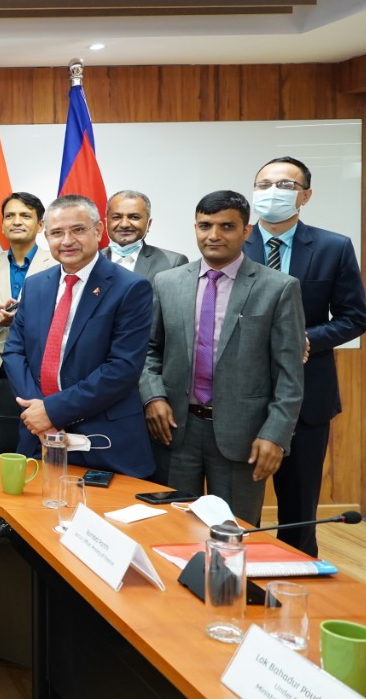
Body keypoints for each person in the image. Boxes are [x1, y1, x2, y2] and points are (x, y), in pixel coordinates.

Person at [142, 191, 305, 525]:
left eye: (226, 226)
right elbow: (148, 350)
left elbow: (289, 374)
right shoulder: (167, 282)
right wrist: (152, 396)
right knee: (168, 528)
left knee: (233, 534)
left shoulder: (278, 287)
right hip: (175, 432)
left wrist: (275, 434)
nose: (213, 235)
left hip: (243, 437)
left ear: (247, 231)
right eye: (205, 225)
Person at [243, 157, 365, 553]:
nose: (271, 193)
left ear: (306, 196)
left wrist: (304, 337)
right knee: (241, 512)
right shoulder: (232, 244)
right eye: (263, 185)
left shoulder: (333, 247)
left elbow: (354, 318)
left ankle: (297, 590)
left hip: (308, 397)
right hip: (242, 398)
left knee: (299, 510)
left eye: (285, 186)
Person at [2, 195, 154, 478]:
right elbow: (14, 352)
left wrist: (52, 410)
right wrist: (40, 414)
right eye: (57, 233)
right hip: (38, 435)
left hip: (102, 440)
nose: (67, 240)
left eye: (78, 230)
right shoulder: (35, 285)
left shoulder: (130, 288)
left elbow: (122, 368)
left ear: (98, 231)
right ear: (46, 236)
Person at [0, 192, 56, 405]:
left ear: (40, 225)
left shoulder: (57, 264)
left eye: (25, 216)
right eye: (10, 216)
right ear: (2, 225)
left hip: (40, 366)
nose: (16, 221)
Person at [103, 190, 189, 280]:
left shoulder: (173, 264)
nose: (124, 224)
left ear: (149, 224)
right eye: (116, 217)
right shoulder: (91, 260)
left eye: (134, 217)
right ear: (106, 223)